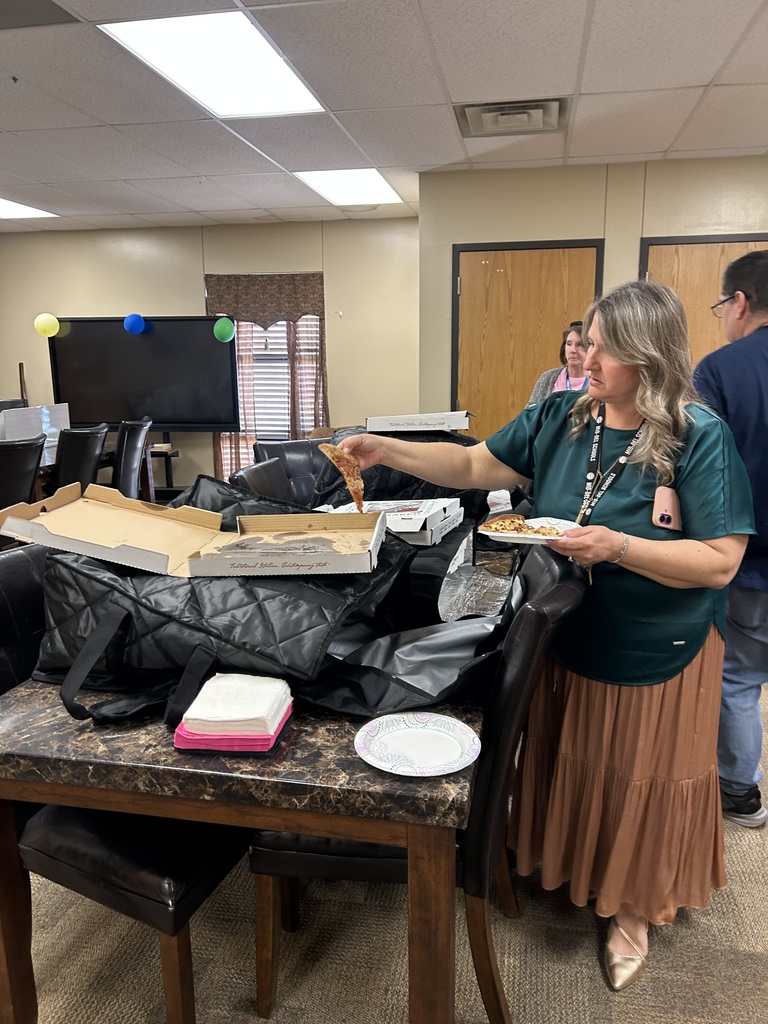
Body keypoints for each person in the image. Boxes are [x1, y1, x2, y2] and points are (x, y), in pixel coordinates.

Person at [339, 280, 754, 991]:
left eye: (599, 347)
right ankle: (574, 869)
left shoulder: (696, 435)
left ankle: (633, 909)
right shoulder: (564, 414)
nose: (581, 356)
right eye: (584, 342)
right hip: (565, 632)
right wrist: (387, 450)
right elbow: (474, 465)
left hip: (658, 644)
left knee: (638, 777)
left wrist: (619, 548)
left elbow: (720, 561)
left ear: (647, 356)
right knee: (577, 757)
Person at [693, 250, 768, 829]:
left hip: (751, 560)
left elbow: (703, 469)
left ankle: (739, 795)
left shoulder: (721, 370)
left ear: (739, 302)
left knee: (739, 677)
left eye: (723, 306)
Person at [526, 321, 588, 406]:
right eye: (569, 344)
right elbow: (529, 413)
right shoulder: (548, 377)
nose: (573, 350)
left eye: (580, 344)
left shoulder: (597, 380)